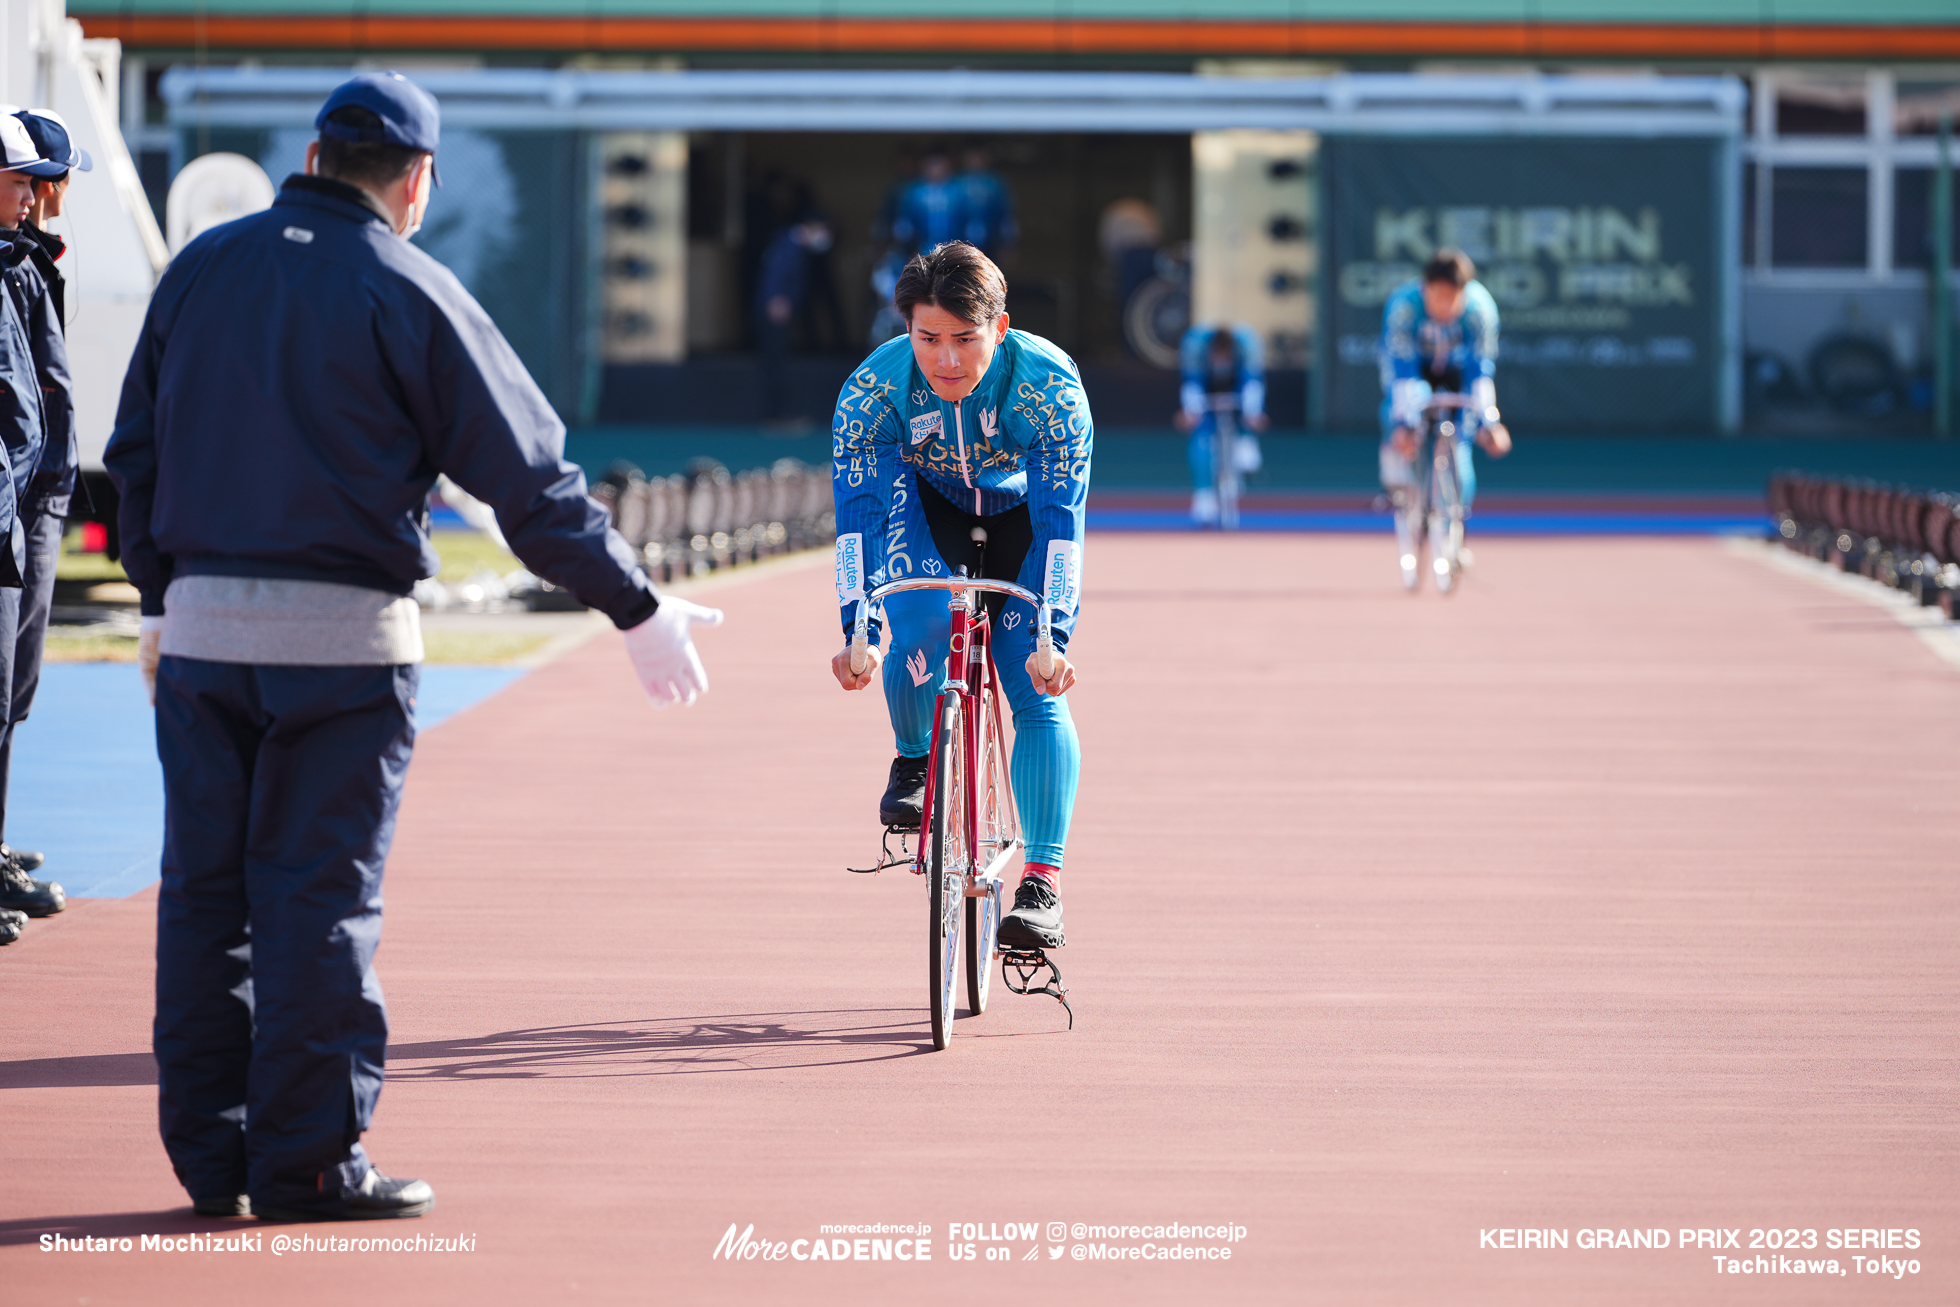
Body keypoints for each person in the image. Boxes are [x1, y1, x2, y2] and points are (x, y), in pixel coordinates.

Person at [104, 72, 723, 1223]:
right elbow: (530, 484)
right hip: (341, 651)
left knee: (203, 897)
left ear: (312, 152)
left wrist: (157, 598)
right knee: (317, 900)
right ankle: (309, 1166)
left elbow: (133, 452)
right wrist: (637, 607)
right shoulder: (409, 285)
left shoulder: (199, 270)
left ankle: (209, 1159)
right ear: (416, 177)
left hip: (197, 643)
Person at [829, 240, 1088, 951]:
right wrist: (860, 627)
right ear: (904, 328)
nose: (946, 360)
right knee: (914, 627)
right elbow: (860, 516)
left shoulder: (1050, 389)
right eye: (928, 339)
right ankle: (915, 756)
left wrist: (1053, 638)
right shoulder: (873, 391)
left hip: (1023, 522)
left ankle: (1042, 882)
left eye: (965, 340)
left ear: (999, 330)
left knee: (1034, 683)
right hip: (926, 505)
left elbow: (1062, 525)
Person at [0, 109, 88, 912]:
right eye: (29, 180)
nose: (45, 195)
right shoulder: (13, 264)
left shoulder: (27, 260)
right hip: (18, 504)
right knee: (1, 686)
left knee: (13, 687)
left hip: (37, 496)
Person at [1379, 248, 1512, 589]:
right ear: (1425, 289)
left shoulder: (1481, 310)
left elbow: (1480, 372)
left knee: (1462, 446)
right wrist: (1403, 424)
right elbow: (1402, 371)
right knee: (1398, 420)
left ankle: (1456, 528)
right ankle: (1398, 477)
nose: (1444, 307)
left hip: (1457, 374)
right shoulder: (1403, 306)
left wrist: (1489, 423)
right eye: (1438, 297)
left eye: (1453, 298)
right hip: (1414, 372)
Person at [1174, 323, 1268, 525]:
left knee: (1248, 415)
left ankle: (1246, 442)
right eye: (1217, 356)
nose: (1221, 361)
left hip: (1238, 386)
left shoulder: (1249, 347)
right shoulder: (1194, 348)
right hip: (1206, 388)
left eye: (1226, 356)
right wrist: (1190, 413)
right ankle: (1203, 497)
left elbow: (1253, 383)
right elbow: (1192, 385)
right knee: (1201, 435)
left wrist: (1253, 414)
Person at [754, 214, 833, 423]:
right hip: (774, 312)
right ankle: (775, 416)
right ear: (810, 226)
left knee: (780, 362)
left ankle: (778, 414)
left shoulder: (796, 248)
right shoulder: (786, 245)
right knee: (775, 364)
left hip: (782, 311)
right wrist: (775, 299)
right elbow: (774, 273)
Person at [955, 143, 1017, 260]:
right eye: (971, 156)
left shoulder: (995, 183)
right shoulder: (956, 182)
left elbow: (1006, 216)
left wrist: (1009, 244)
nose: (975, 160)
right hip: (960, 243)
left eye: (978, 156)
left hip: (991, 241)